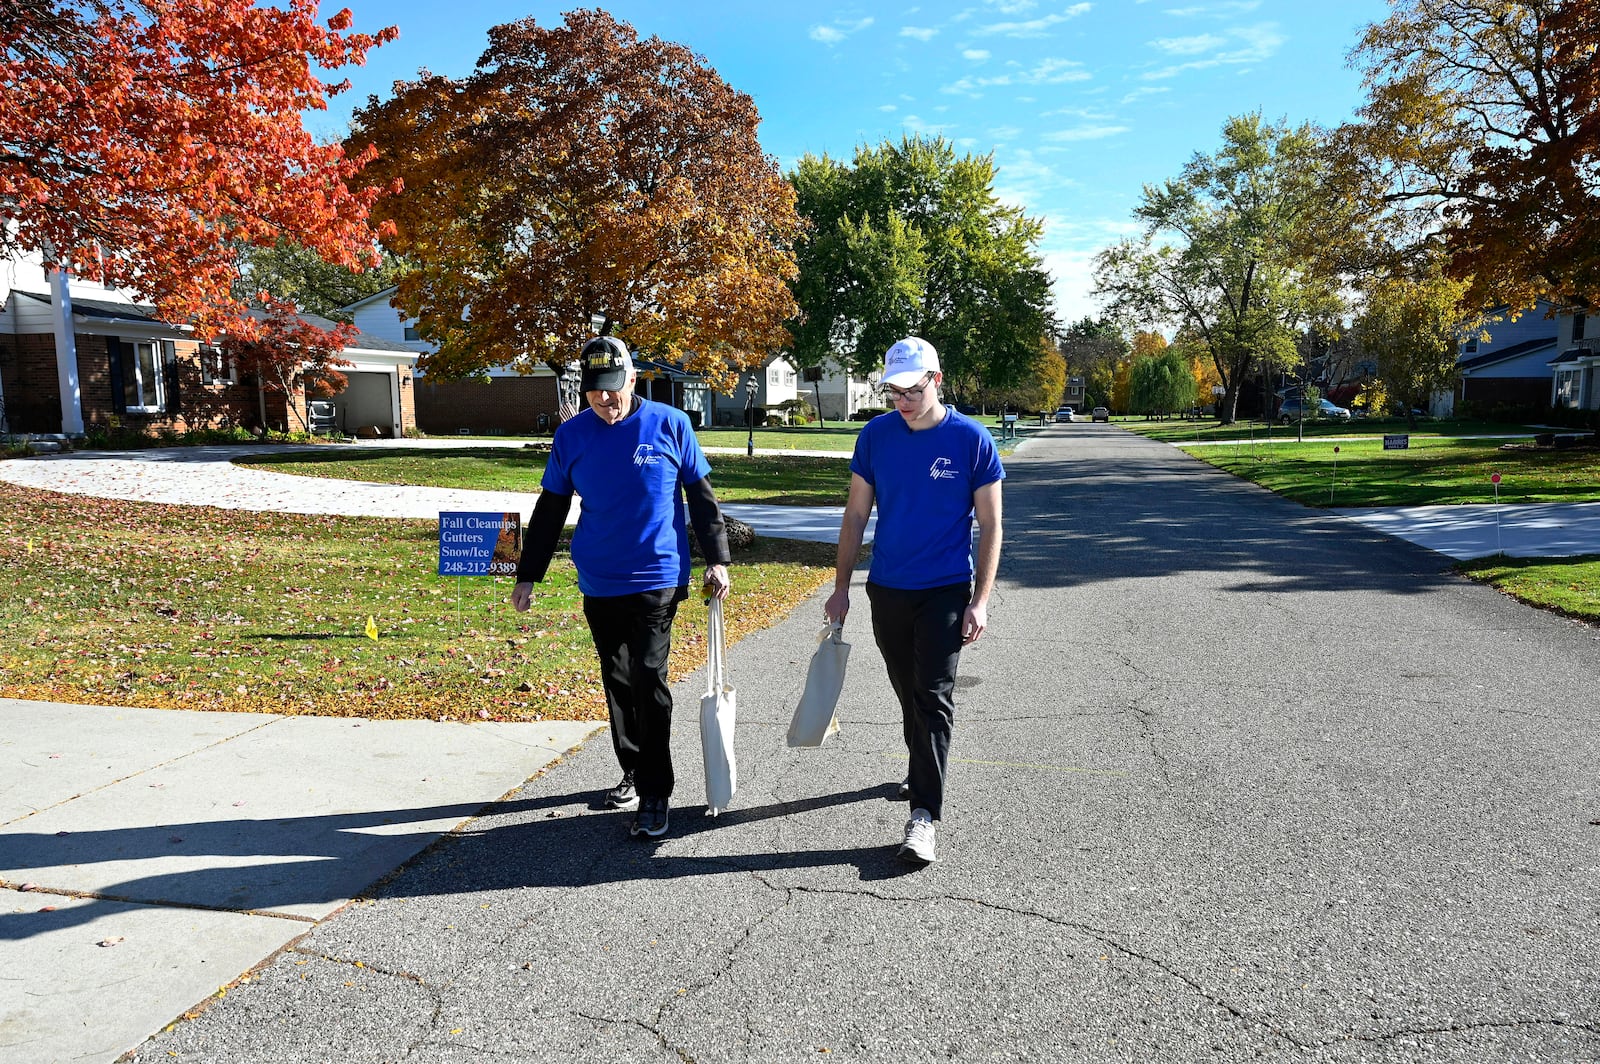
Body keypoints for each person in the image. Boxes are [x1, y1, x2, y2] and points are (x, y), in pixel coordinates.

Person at [513, 335, 731, 840]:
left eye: (613, 390)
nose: (605, 401)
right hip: (600, 578)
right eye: (595, 393)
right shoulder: (572, 437)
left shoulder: (670, 425)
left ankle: (657, 791)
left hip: (658, 576)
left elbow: (702, 500)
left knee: (649, 675)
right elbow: (550, 509)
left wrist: (717, 560)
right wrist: (529, 573)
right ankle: (632, 769)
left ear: (633, 379)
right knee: (618, 677)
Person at [824, 336, 1004, 865]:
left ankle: (924, 814)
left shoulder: (971, 440)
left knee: (933, 695)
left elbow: (991, 525)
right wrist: (840, 588)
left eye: (912, 388)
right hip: (888, 588)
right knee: (908, 692)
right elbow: (856, 515)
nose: (901, 399)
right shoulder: (876, 437)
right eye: (893, 390)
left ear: (937, 380)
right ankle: (920, 764)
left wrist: (981, 598)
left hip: (946, 588)